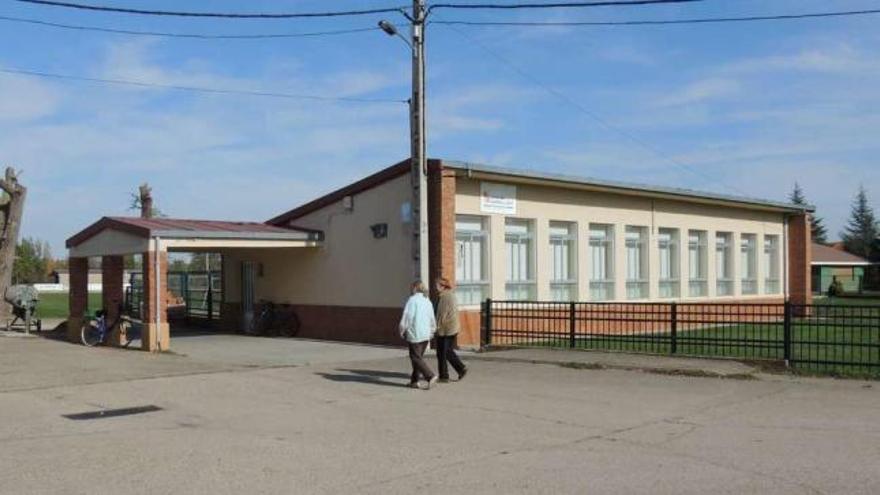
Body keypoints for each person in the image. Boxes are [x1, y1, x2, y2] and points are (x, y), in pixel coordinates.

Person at [399, 280, 438, 389]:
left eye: (411, 287)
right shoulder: (427, 300)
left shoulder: (412, 300)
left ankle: (430, 376)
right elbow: (432, 317)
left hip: (415, 333)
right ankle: (414, 381)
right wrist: (432, 330)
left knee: (415, 357)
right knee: (418, 357)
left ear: (415, 288)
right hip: (426, 334)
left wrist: (402, 330)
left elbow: (407, 317)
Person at [434, 277, 468, 382]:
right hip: (451, 328)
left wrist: (436, 328)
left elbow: (442, 315)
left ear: (442, 286)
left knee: (444, 352)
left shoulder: (445, 297)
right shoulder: (449, 295)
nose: (435, 287)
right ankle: (450, 373)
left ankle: (456, 370)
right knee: (444, 351)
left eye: (437, 285)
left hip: (446, 329)